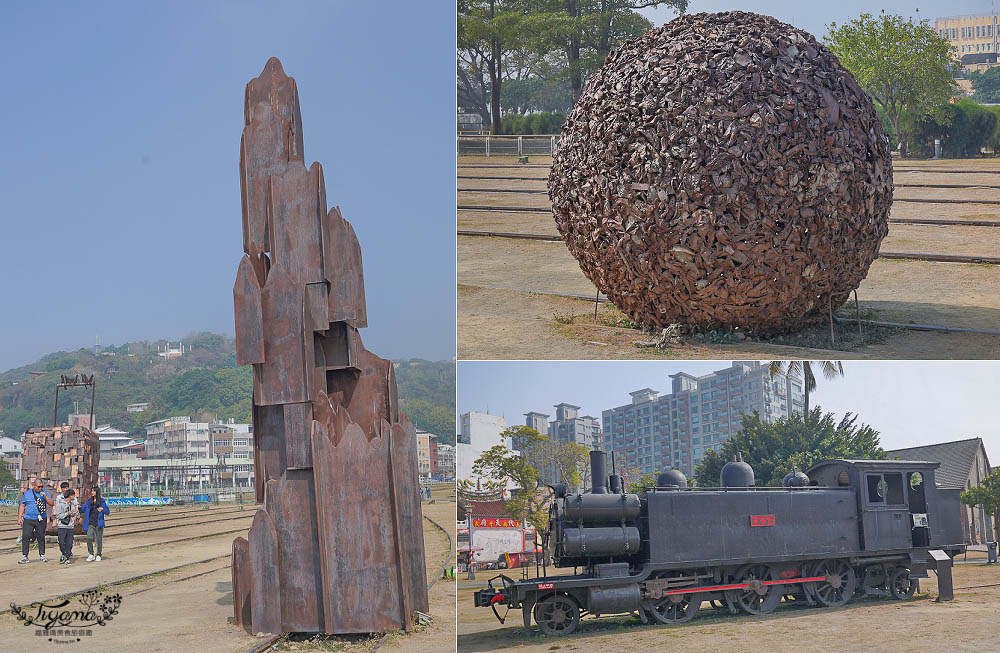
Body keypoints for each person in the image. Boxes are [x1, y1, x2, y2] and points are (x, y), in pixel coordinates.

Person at [17, 478, 54, 564]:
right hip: (28, 519)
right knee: (26, 536)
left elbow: (51, 503)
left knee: (41, 537)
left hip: (41, 519)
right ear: (34, 486)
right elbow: (22, 505)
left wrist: (45, 496)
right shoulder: (27, 494)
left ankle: (42, 555)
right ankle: (25, 556)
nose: (40, 488)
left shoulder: (44, 493)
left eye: (41, 486)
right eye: (38, 487)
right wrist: (19, 517)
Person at [79, 486, 110, 562]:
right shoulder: (89, 501)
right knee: (89, 537)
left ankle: (99, 554)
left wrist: (102, 509)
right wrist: (79, 507)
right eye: (92, 491)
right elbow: (83, 508)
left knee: (99, 539)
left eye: (93, 491)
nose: (92, 492)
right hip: (91, 523)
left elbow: (107, 511)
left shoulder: (102, 501)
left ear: (97, 492)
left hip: (99, 523)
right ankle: (91, 554)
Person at [55, 484, 78, 565]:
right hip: (62, 526)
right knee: (61, 542)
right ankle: (64, 553)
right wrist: (67, 513)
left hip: (70, 526)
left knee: (69, 542)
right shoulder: (60, 504)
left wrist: (75, 513)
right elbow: (58, 515)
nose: (74, 497)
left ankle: (67, 557)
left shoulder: (72, 505)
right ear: (70, 496)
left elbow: (74, 514)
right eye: (73, 495)